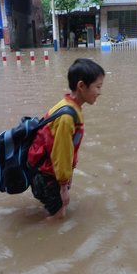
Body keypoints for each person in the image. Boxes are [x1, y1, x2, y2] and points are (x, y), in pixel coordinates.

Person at [28, 58, 105, 221]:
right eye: (97, 87)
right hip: (46, 175)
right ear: (81, 86)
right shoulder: (67, 117)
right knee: (59, 217)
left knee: (57, 209)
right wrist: (63, 187)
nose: (100, 92)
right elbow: (61, 153)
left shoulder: (68, 106)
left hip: (43, 171)